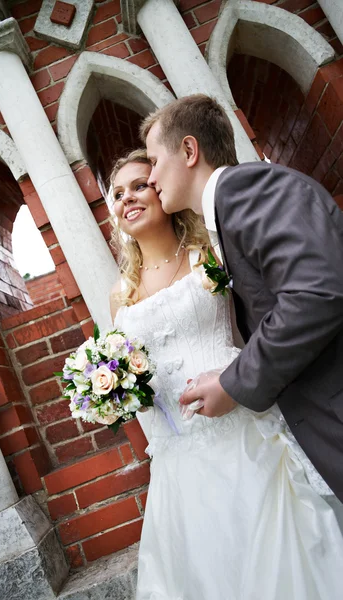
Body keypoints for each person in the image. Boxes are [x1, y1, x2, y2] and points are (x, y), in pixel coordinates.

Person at [109, 149, 343, 600]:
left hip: (245, 428)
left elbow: (254, 326)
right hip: (179, 454)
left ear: (161, 191)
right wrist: (115, 395)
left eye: (140, 185)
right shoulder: (121, 294)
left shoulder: (209, 255)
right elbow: (138, 377)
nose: (128, 198)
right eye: (118, 194)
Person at [141, 94, 343, 503]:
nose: (150, 178)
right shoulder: (230, 210)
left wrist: (234, 382)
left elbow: (316, 292)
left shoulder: (247, 190)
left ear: (189, 150)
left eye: (155, 161)